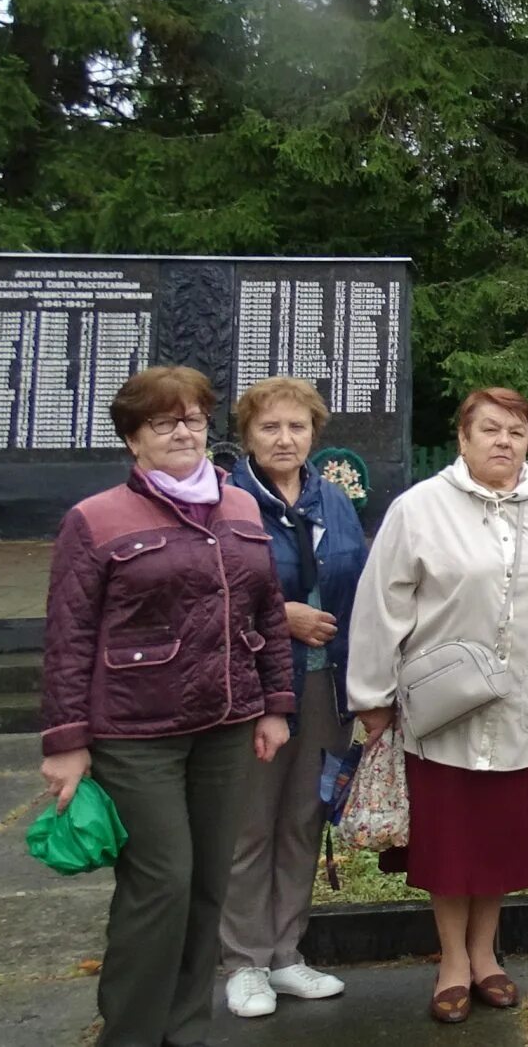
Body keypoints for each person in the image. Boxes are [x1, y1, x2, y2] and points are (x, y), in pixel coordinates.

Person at [39, 366, 294, 1047]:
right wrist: (66, 740)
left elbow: (266, 611)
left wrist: (275, 704)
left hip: (226, 726)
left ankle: (185, 1030)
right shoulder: (95, 519)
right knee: (162, 885)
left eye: (194, 419)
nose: (183, 431)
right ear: (133, 438)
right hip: (135, 732)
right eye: (163, 421)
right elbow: (68, 636)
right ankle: (129, 1033)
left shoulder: (239, 507)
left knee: (208, 884)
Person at [347, 387, 528, 1023]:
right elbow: (381, 605)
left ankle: (487, 954)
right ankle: (452, 959)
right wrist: (372, 697)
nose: (504, 441)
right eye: (490, 429)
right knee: (451, 841)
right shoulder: (419, 509)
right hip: (442, 711)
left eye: (516, 431)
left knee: (500, 836)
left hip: (526, 710)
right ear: (462, 438)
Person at [220, 376, 367, 1018]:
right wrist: (282, 616)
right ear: (247, 436)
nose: (285, 439)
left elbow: (362, 584)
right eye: (270, 427)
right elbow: (210, 591)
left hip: (323, 682)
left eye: (297, 427)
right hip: (254, 686)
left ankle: (287, 954)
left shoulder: (334, 500)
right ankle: (243, 961)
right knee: (252, 824)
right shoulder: (225, 503)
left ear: (314, 434)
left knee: (306, 817)